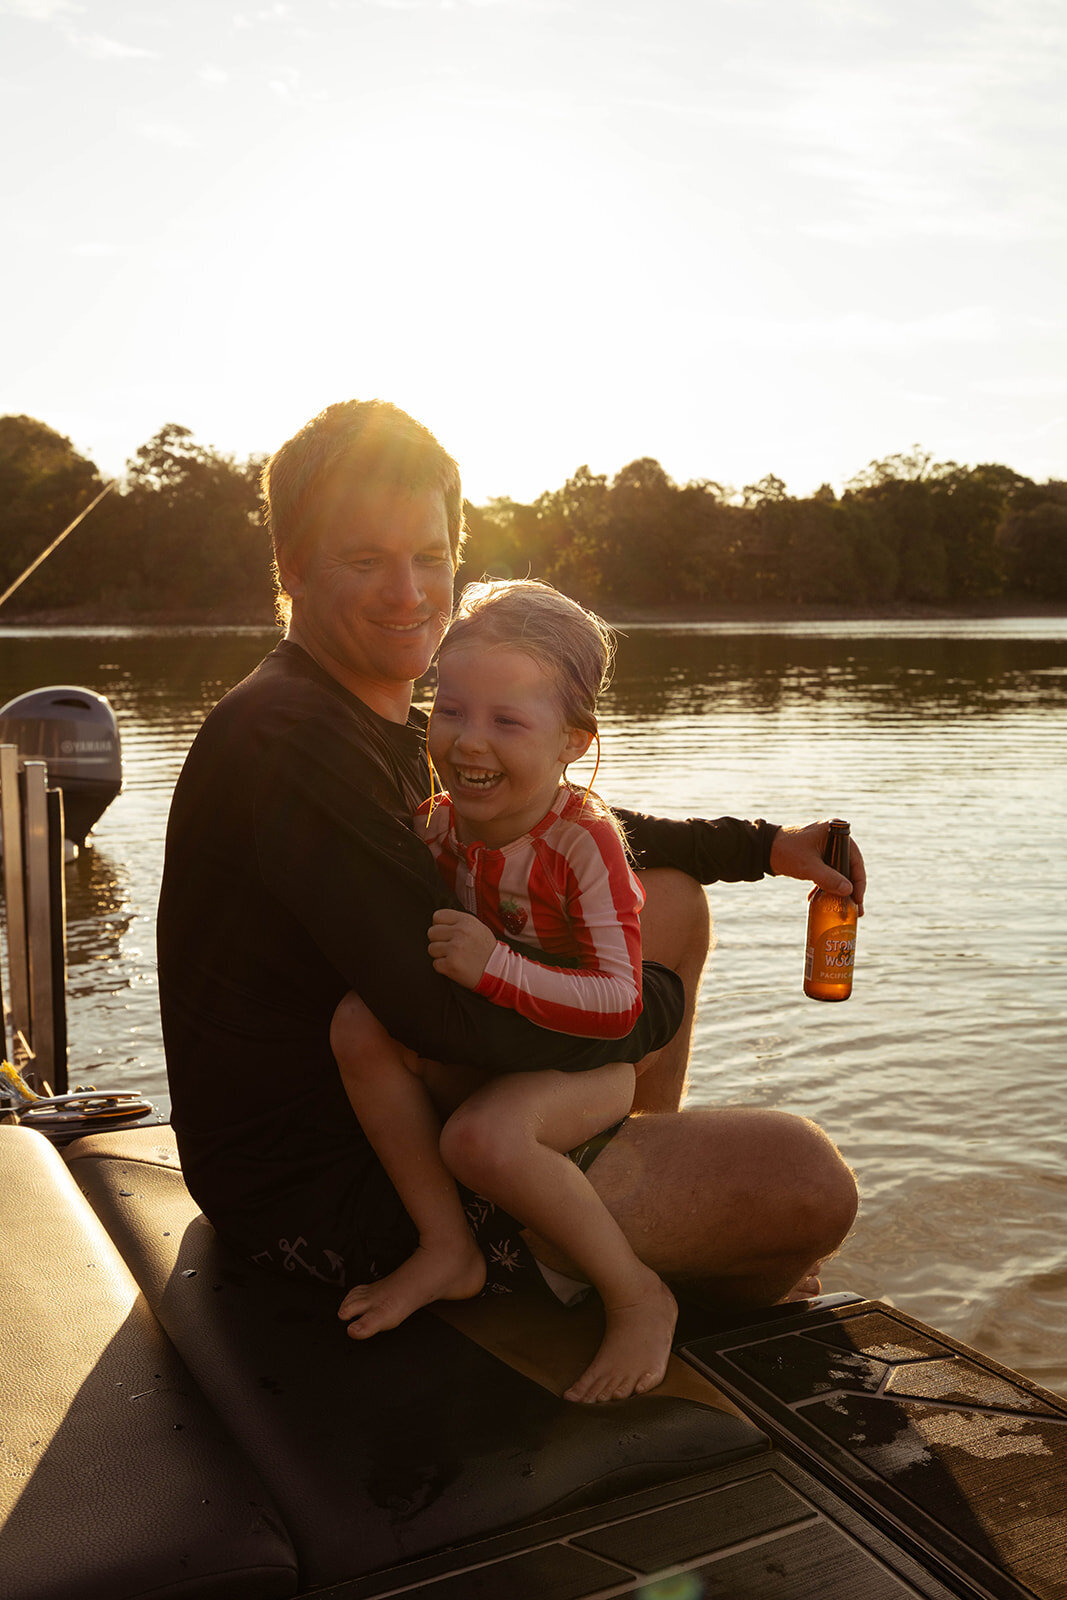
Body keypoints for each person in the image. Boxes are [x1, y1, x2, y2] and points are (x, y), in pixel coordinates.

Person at [157, 399, 861, 1406]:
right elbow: (429, 1009)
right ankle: (580, 1246)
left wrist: (766, 848)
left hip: (403, 1098)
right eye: (365, 560)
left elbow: (569, 821)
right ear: (293, 567)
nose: (409, 593)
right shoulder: (290, 740)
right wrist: (640, 1007)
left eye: (430, 554)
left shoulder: (382, 715)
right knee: (805, 1184)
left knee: (666, 895)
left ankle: (591, 1215)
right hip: (330, 1186)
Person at [332, 578, 677, 1404]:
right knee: (357, 1023)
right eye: (449, 711)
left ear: (571, 743)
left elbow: (618, 1003)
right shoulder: (440, 822)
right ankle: (446, 1248)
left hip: (583, 1066)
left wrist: (495, 968)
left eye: (507, 721)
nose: (468, 742)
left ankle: (637, 1294)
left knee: (479, 1142)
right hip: (488, 1041)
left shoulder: (582, 845)